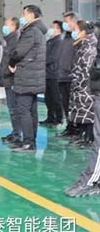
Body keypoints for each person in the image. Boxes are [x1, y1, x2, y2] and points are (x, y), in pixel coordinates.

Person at [8, 5, 47, 152]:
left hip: (27, 75)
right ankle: (30, 141)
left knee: (23, 110)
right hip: (33, 76)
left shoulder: (31, 31)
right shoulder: (39, 31)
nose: (22, 17)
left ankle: (28, 142)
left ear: (31, 15)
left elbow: (19, 52)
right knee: (31, 110)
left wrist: (12, 63)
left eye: (24, 14)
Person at [67, 20, 98, 148]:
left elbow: (86, 69)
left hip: (85, 86)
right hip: (80, 85)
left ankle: (89, 138)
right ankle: (83, 136)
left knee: (88, 113)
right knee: (81, 112)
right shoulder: (82, 44)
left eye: (76, 30)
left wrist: (79, 84)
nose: (74, 32)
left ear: (83, 32)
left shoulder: (89, 48)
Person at [0, 17, 22, 145]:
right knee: (12, 108)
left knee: (14, 109)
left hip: (12, 79)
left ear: (13, 26)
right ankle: (15, 132)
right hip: (8, 79)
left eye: (6, 25)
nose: (4, 27)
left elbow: (14, 60)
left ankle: (17, 135)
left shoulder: (15, 40)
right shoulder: (9, 40)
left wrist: (7, 73)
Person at [58, 12, 81, 138]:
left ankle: (77, 129)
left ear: (74, 21)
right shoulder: (65, 37)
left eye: (67, 22)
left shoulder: (78, 36)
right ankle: (70, 127)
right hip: (62, 76)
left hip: (72, 77)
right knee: (66, 104)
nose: (65, 24)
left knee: (75, 105)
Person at [41, 21, 63, 127]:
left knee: (56, 98)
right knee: (48, 98)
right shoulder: (49, 41)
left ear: (59, 30)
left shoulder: (59, 42)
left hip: (54, 74)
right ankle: (50, 118)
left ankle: (59, 119)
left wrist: (41, 61)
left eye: (53, 27)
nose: (50, 29)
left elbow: (53, 57)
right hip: (47, 74)